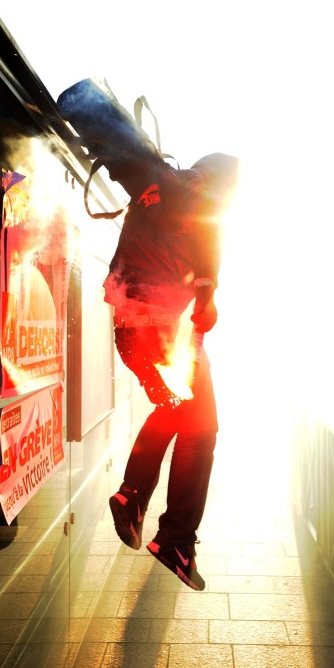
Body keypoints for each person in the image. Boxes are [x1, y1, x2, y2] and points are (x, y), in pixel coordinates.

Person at [104, 150, 239, 591]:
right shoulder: (201, 200)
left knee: (178, 409)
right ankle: (176, 537)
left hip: (131, 332)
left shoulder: (158, 181)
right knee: (202, 429)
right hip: (160, 331)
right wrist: (206, 292)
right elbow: (206, 247)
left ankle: (134, 495)